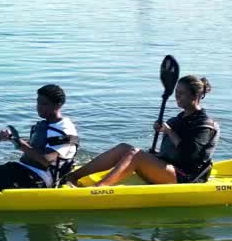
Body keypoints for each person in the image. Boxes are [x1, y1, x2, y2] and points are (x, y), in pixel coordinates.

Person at [66, 75, 220, 187]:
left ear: (196, 96)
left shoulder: (204, 124)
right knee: (124, 148)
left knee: (135, 155)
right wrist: (156, 153)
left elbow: (189, 154)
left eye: (182, 93)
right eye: (176, 92)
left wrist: (169, 132)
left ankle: (98, 189)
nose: (177, 97)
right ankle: (73, 176)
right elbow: (171, 152)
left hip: (187, 177)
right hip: (169, 168)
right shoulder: (178, 119)